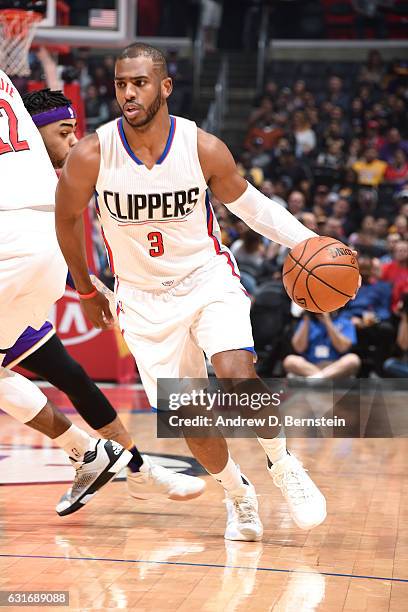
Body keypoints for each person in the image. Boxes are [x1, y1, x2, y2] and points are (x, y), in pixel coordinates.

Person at [55, 43, 328, 541]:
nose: (128, 92)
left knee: (237, 375)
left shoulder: (201, 146)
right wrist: (85, 287)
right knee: (191, 417)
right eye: (120, 83)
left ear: (164, 87)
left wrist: (307, 241)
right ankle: (239, 496)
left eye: (138, 82)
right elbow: (67, 217)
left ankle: (283, 463)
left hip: (206, 279)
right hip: (140, 299)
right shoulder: (93, 152)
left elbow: (253, 207)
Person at [4, 87, 205, 505]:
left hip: (17, 270)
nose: (75, 141)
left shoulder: (53, 173)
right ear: (32, 130)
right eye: (64, 132)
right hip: (24, 272)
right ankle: (136, 468)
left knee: (70, 376)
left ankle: (106, 458)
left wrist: (87, 283)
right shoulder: (27, 165)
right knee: (62, 376)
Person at [0, 69, 132, 517]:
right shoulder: (9, 92)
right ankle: (86, 451)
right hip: (44, 251)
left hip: (9, 243)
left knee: (66, 373)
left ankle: (94, 451)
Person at [283, 311, 361, 379]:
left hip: (334, 367)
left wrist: (327, 321)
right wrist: (306, 320)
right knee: (290, 360)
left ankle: (317, 379)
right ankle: (323, 379)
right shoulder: (306, 322)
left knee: (353, 359)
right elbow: (299, 348)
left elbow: (342, 348)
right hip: (310, 367)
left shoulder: (344, 322)